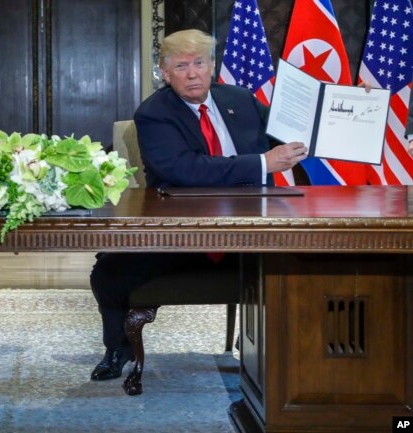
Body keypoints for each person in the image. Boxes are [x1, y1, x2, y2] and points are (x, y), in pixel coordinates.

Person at [89, 29, 308, 381]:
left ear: (212, 66)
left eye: (200, 63)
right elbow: (183, 170)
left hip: (250, 228)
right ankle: (118, 348)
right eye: (181, 66)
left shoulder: (241, 99)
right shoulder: (154, 114)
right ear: (164, 72)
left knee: (309, 260)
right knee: (109, 272)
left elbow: (294, 130)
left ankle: (273, 348)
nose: (192, 73)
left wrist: (353, 111)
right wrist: (263, 163)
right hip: (182, 232)